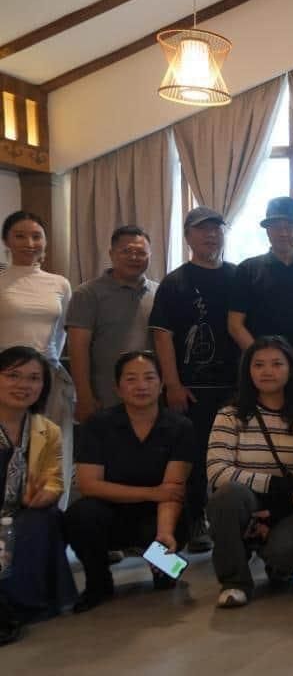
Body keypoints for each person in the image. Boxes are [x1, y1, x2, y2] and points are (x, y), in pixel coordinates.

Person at [64, 352, 195, 613]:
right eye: (131, 379)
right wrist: (151, 492)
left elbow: (171, 491)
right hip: (109, 513)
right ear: (118, 388)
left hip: (158, 515)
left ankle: (167, 566)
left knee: (167, 568)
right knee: (80, 515)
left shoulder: (180, 427)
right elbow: (89, 485)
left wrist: (165, 534)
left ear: (161, 384)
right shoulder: (98, 425)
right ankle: (98, 583)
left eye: (149, 378)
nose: (141, 386)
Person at [206, 336, 293, 608]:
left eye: (276, 364)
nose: (267, 371)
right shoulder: (229, 415)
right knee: (226, 496)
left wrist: (277, 511)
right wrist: (271, 484)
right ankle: (235, 582)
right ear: (247, 371)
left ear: (291, 369)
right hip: (245, 501)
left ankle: (277, 563)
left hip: (289, 505)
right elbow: (218, 472)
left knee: (285, 553)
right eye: (258, 364)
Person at [149, 207, 238, 553]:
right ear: (188, 236)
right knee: (194, 456)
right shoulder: (175, 283)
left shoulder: (238, 276)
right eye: (202, 230)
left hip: (235, 386)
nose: (210, 235)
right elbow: (162, 336)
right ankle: (195, 519)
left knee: (236, 455)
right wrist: (172, 384)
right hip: (191, 389)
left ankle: (235, 521)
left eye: (216, 229)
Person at [0, 347, 76, 630]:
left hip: (147, 526)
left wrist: (48, 494)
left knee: (51, 517)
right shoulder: (103, 428)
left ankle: (167, 569)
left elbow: (53, 479)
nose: (24, 385)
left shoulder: (46, 430)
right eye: (13, 376)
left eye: (34, 378)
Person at [227, 197, 293, 408]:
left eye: (290, 226)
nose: (284, 233)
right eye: (277, 227)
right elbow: (235, 325)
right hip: (259, 367)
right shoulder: (247, 269)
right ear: (267, 231)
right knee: (257, 420)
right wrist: (261, 359)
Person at [66, 225, 158, 423]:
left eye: (141, 253)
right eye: (126, 251)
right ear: (111, 253)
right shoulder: (87, 294)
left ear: (150, 255)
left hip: (150, 399)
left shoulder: (159, 293)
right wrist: (84, 396)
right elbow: (78, 349)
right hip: (104, 399)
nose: (134, 257)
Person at [0, 212, 74, 438]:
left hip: (46, 372)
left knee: (45, 440)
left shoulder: (60, 284)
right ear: (6, 241)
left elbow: (62, 331)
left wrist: (45, 362)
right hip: (6, 374)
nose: (30, 243)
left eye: (36, 236)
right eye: (20, 236)